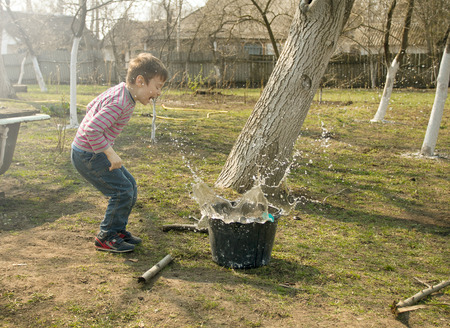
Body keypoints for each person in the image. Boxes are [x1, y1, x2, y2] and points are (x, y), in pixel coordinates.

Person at [71, 53, 168, 253]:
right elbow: (92, 129)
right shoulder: (120, 102)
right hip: (88, 155)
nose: (158, 93)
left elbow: (91, 106)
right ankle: (106, 236)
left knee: (130, 185)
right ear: (140, 81)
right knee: (121, 191)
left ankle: (117, 230)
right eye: (157, 87)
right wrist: (109, 153)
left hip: (90, 150)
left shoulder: (122, 91)